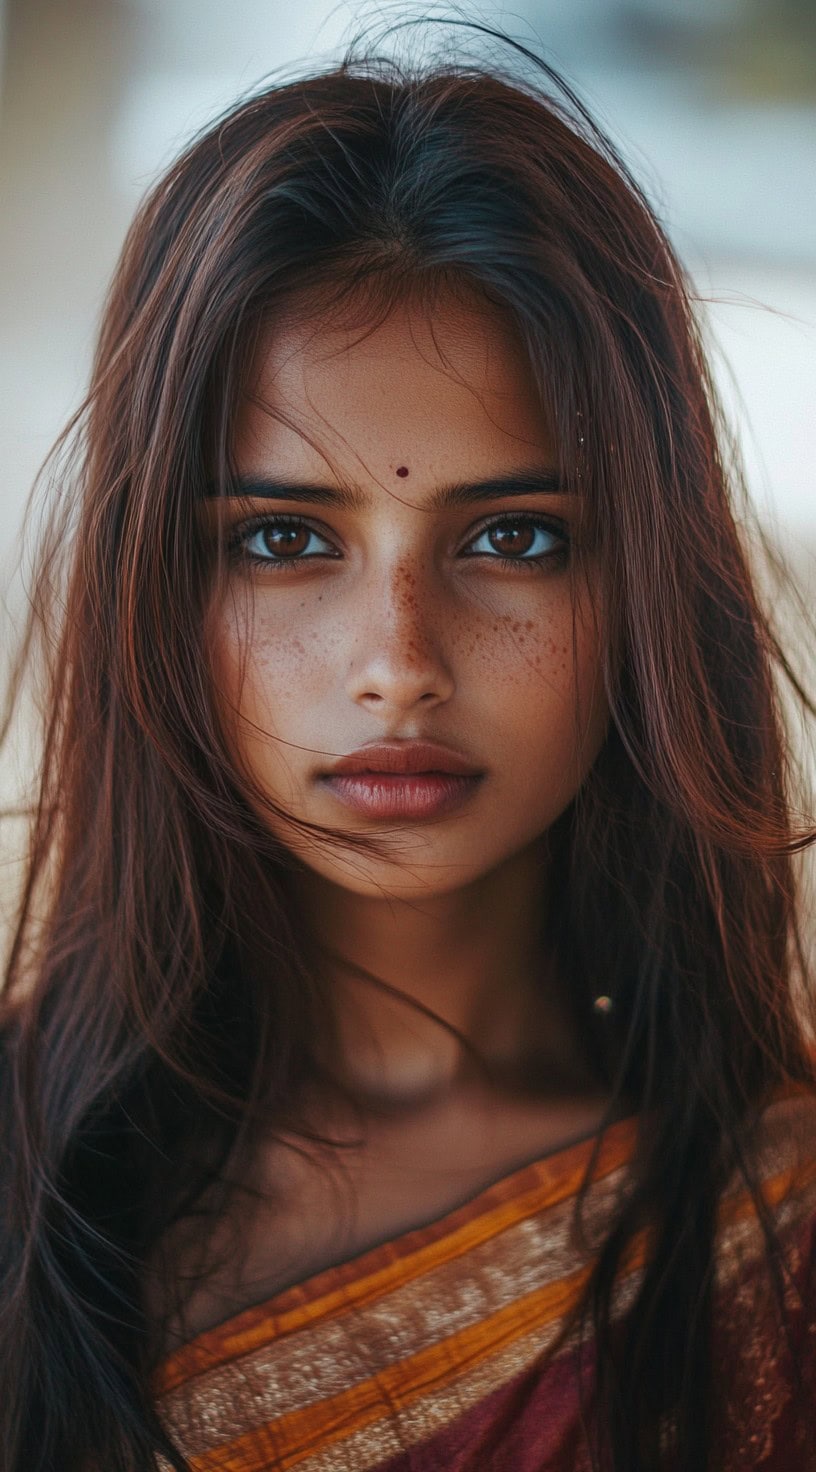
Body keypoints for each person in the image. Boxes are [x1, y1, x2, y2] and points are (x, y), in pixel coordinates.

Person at [1, 29, 815, 1472]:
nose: (398, 663)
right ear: (153, 591)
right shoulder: (30, 1192)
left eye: (515, 538)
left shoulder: (784, 1226)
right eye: (282, 540)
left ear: (645, 586)